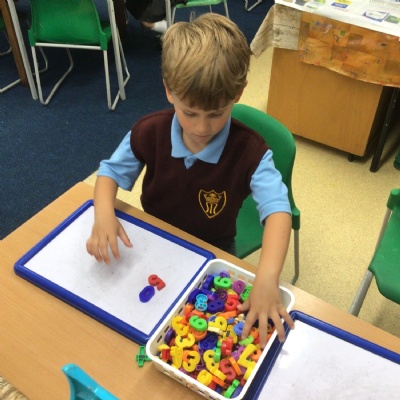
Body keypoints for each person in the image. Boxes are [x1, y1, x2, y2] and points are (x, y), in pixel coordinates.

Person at [86, 13, 295, 347]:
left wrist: (268, 277)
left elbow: (278, 211)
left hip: (214, 250)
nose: (201, 128)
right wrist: (103, 214)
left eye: (216, 114)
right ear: (169, 91)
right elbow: (109, 172)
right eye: (190, 113)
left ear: (238, 94)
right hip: (156, 239)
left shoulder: (252, 152)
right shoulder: (149, 130)